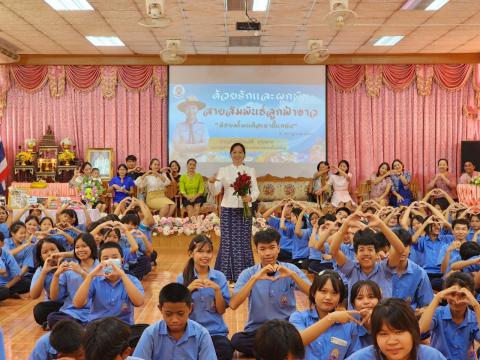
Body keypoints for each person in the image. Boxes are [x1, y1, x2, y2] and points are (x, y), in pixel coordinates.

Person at [229, 228, 310, 357]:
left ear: (278, 248)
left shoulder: (290, 269)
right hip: (258, 330)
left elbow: (313, 293)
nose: (268, 253)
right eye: (262, 249)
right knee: (237, 340)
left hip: (286, 329)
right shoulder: (248, 273)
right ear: (257, 250)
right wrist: (255, 278)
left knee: (304, 333)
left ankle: (269, 352)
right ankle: (281, 352)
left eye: (272, 247)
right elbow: (233, 304)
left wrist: (293, 276)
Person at [208, 143, 260, 282]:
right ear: (230, 154)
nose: (237, 155)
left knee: (243, 241)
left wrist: (250, 197)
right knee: (228, 241)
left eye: (240, 152)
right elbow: (216, 191)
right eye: (234, 152)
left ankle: (245, 275)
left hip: (245, 210)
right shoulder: (223, 170)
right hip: (227, 209)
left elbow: (256, 191)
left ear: (244, 154)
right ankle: (226, 275)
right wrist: (211, 183)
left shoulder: (250, 170)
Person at [177, 235, 233, 360]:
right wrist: (188, 290)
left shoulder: (219, 277)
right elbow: (177, 310)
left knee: (225, 351)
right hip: (190, 332)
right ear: (191, 253)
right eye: (200, 251)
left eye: (208, 252)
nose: (205, 256)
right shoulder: (182, 278)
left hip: (215, 332)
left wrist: (217, 290)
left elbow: (221, 310)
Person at [330, 212, 405, 301]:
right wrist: (345, 224)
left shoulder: (385, 269)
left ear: (377, 253)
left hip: (382, 315)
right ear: (356, 254)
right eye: (361, 250)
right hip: (356, 315)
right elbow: (334, 251)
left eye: (370, 249)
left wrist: (381, 225)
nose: (366, 253)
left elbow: (400, 250)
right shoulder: (351, 269)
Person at [133, 283, 217, 360]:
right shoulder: (151, 333)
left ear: (190, 308)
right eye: (168, 314)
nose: (175, 320)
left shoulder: (202, 334)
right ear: (160, 309)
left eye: (180, 313)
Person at [289, 271, 360, 360]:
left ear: (340, 297)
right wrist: (332, 318)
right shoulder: (298, 317)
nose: (328, 297)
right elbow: (297, 341)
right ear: (313, 293)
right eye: (323, 291)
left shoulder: (350, 326)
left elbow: (355, 356)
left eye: (334, 293)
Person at [346, 298, 446, 360]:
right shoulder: (361, 358)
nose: (392, 341)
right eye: (383, 334)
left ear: (413, 331)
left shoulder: (432, 356)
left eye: (399, 332)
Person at [72, 242, 145, 324]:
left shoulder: (131, 280)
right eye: (106, 258)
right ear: (100, 263)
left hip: (124, 326)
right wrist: (90, 276)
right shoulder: (94, 280)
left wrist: (122, 275)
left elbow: (139, 302)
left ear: (122, 261)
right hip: (97, 325)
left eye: (114, 257)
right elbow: (77, 304)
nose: (110, 261)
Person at [419, 272, 480, 359]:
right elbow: (421, 329)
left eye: (463, 295)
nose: (456, 300)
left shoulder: (475, 317)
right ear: (446, 293)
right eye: (452, 294)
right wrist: (437, 297)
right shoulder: (438, 313)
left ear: (472, 295)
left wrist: (476, 305)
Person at [48, 233, 98, 329]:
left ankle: (76, 329)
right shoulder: (70, 267)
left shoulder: (100, 267)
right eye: (77, 247)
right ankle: (81, 329)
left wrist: (82, 272)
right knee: (52, 318)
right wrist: (56, 275)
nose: (80, 250)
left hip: (95, 312)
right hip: (72, 312)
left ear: (92, 247)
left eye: (84, 246)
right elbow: (54, 297)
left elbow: (100, 289)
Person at [30, 238, 66, 327]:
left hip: (72, 303)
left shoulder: (69, 264)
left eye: (53, 249)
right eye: (45, 252)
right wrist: (43, 273)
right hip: (55, 304)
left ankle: (59, 320)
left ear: (60, 250)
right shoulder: (41, 270)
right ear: (40, 256)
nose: (50, 254)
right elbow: (34, 295)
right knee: (39, 311)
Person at [172, 96, 209, 162]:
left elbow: (205, 145)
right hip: (182, 159)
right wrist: (197, 146)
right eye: (188, 108)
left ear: (197, 110)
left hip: (200, 159)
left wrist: (186, 146)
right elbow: (176, 146)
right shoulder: (179, 126)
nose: (191, 111)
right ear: (184, 111)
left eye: (193, 108)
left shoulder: (203, 126)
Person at [350, 280, 382, 348]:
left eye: (371, 297)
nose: (366, 302)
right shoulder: (350, 330)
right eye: (360, 298)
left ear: (379, 301)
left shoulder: (390, 324)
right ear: (353, 304)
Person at [0, 232, 30, 300]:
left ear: (2, 244)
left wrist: (6, 286)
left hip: (5, 285)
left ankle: (9, 292)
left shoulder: (8, 255)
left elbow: (17, 277)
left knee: (26, 283)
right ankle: (10, 293)